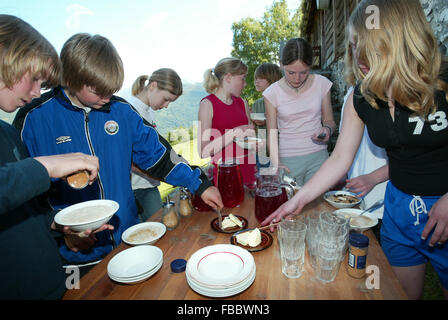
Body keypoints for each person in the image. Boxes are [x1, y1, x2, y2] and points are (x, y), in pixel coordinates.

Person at [263, 0, 448, 300]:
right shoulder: (361, 97)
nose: (358, 56)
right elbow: (339, 158)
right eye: (352, 45)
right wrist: (300, 199)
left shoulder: (444, 81)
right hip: (398, 211)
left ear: (399, 39)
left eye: (368, 45)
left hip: (443, 204)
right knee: (396, 293)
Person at [14, 33, 223, 275]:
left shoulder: (122, 111)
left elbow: (161, 157)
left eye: (111, 90)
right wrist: (59, 231)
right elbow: (22, 197)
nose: (107, 97)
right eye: (99, 91)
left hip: (128, 241)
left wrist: (200, 184)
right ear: (70, 79)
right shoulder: (32, 119)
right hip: (74, 258)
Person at [0, 15, 104, 299]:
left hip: (51, 286)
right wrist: (45, 166)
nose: (36, 92)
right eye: (33, 78)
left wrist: (63, 228)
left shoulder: (7, 135)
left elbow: (23, 209)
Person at [263, 38, 336, 186]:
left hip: (319, 158)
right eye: (291, 72)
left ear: (310, 66)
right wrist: (276, 163)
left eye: (303, 72)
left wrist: (327, 130)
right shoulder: (272, 93)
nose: (297, 78)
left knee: (319, 206)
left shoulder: (322, 84)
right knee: (292, 205)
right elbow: (271, 133)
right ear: (282, 64)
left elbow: (330, 121)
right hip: (288, 161)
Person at [127, 69, 183, 222]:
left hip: (149, 185)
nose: (166, 106)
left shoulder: (149, 112)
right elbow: (129, 159)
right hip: (136, 189)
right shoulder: (130, 111)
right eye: (166, 99)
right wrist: (164, 174)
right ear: (153, 86)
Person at [198, 57, 257, 186]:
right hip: (225, 174)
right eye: (242, 78)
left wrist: (253, 141)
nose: (245, 83)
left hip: (250, 169)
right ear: (228, 77)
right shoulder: (207, 104)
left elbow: (247, 139)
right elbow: (204, 151)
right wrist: (234, 133)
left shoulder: (243, 103)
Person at [341, 86, 389, 224]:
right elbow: (346, 151)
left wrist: (373, 178)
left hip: (382, 197)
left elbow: (410, 157)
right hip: (356, 195)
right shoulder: (352, 92)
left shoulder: (396, 93)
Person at [252, 63, 282, 168]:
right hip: (261, 154)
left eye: (261, 78)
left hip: (281, 153)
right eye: (256, 78)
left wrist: (271, 120)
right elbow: (256, 133)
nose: (256, 81)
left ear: (272, 79)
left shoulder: (282, 102)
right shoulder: (256, 104)